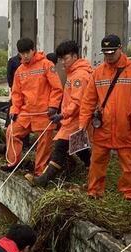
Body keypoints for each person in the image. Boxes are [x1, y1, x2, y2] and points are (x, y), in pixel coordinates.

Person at [78, 34, 131, 200]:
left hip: (126, 126)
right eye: (106, 53)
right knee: (97, 161)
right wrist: (83, 123)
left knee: (128, 164)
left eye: (112, 53)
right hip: (103, 127)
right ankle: (94, 192)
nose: (109, 56)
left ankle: (129, 194)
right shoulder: (98, 73)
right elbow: (88, 100)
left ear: (120, 49)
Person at [25, 40, 93, 187]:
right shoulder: (74, 73)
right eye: (61, 59)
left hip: (76, 119)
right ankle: (93, 170)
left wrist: (62, 115)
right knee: (79, 148)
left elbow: (77, 101)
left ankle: (43, 180)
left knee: (61, 147)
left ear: (75, 56)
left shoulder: (79, 76)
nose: (62, 62)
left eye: (65, 58)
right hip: (73, 119)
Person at [2, 37, 64, 177]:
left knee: (44, 143)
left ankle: (39, 171)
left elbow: (57, 88)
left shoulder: (46, 65)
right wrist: (14, 110)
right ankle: (13, 163)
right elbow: (16, 94)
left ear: (33, 50)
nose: (25, 56)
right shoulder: (19, 70)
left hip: (44, 113)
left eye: (27, 52)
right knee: (11, 132)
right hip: (26, 113)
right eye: (22, 53)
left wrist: (53, 106)